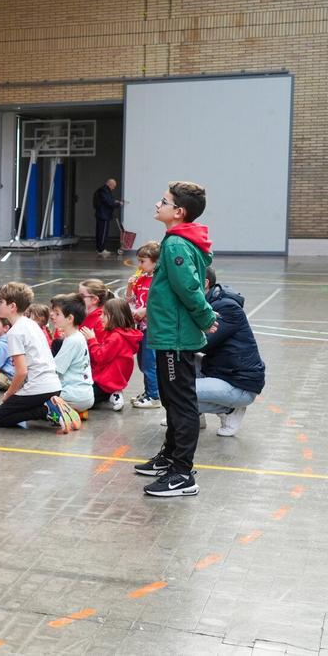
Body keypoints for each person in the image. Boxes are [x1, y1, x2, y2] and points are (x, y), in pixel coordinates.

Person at [134, 181, 218, 498]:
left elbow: (189, 288)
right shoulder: (175, 240)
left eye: (164, 201)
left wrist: (206, 317)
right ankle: (170, 457)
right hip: (168, 333)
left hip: (176, 339)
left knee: (181, 404)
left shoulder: (176, 245)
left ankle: (182, 473)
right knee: (171, 400)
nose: (158, 205)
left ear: (179, 212)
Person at [0, 282, 77, 432]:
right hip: (54, 386)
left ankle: (46, 411)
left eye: (1, 302)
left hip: (39, 388)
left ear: (12, 306)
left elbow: (21, 372)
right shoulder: (31, 324)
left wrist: (9, 394)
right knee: (16, 408)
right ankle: (50, 407)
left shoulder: (15, 332)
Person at [199, 268, 265, 437]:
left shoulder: (225, 307)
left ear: (205, 283)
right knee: (178, 368)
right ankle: (196, 416)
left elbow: (202, 343)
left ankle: (230, 410)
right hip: (224, 372)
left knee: (179, 391)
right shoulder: (210, 303)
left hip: (240, 384)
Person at [81, 297, 142, 411]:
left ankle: (111, 393)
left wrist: (92, 340)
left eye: (104, 314)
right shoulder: (121, 334)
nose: (101, 317)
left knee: (81, 400)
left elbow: (100, 357)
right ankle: (113, 393)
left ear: (114, 317)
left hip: (105, 384)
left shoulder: (116, 337)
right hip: (109, 381)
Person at [128, 242, 162, 409]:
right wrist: (129, 287)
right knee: (142, 362)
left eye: (143, 261)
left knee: (149, 362)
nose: (139, 265)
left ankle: (154, 396)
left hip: (153, 327)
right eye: (139, 261)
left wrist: (145, 311)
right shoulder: (140, 279)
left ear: (155, 262)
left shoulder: (159, 280)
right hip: (141, 327)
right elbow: (131, 300)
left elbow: (162, 303)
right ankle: (149, 391)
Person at [49, 294, 94, 418]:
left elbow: (55, 369)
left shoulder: (72, 341)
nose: (52, 315)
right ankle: (77, 412)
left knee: (35, 399)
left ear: (70, 318)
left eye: (57, 313)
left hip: (72, 395)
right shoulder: (77, 337)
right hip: (84, 395)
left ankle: (64, 414)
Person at [93, 178, 122, 256]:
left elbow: (108, 200)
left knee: (100, 232)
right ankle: (101, 249)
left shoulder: (102, 190)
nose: (113, 188)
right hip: (104, 215)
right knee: (103, 233)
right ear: (110, 184)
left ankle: (99, 248)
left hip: (101, 214)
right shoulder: (104, 190)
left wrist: (114, 201)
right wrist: (118, 204)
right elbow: (108, 202)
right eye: (113, 186)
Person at [0, 315, 15, 390]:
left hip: (9, 377)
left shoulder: (1, 344)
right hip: (13, 375)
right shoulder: (9, 340)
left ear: (6, 328)